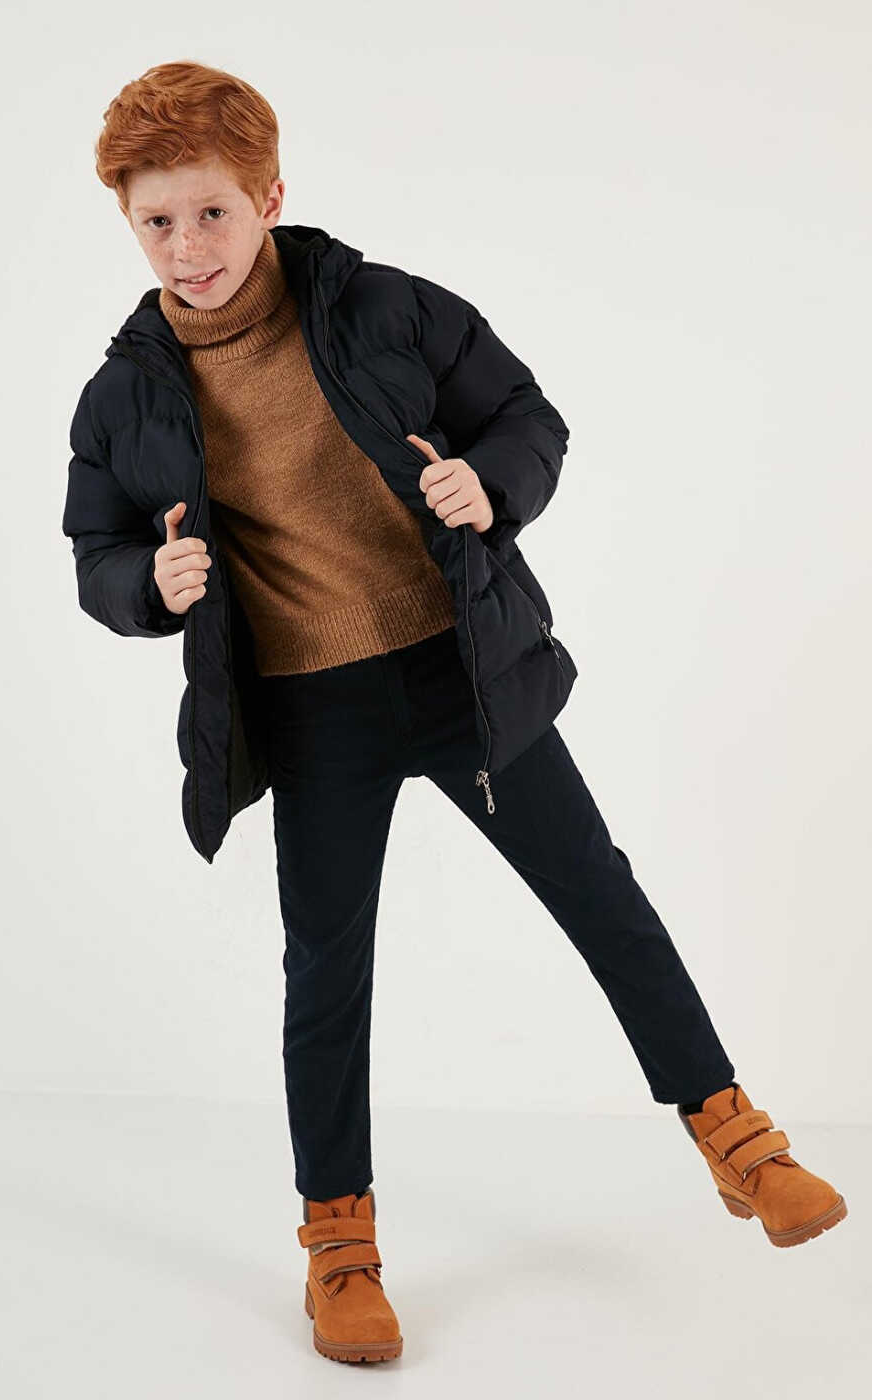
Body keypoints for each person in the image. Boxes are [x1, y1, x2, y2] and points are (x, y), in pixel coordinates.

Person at [62, 60, 847, 1365]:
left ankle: (733, 1136)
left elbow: (526, 417)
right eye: (157, 221)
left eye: (211, 213)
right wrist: (149, 582)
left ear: (269, 196)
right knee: (326, 971)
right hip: (310, 710)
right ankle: (339, 1245)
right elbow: (96, 550)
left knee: (598, 893)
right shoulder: (125, 397)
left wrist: (488, 482)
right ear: (126, 221)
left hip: (459, 670)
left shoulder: (385, 306)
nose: (188, 248)